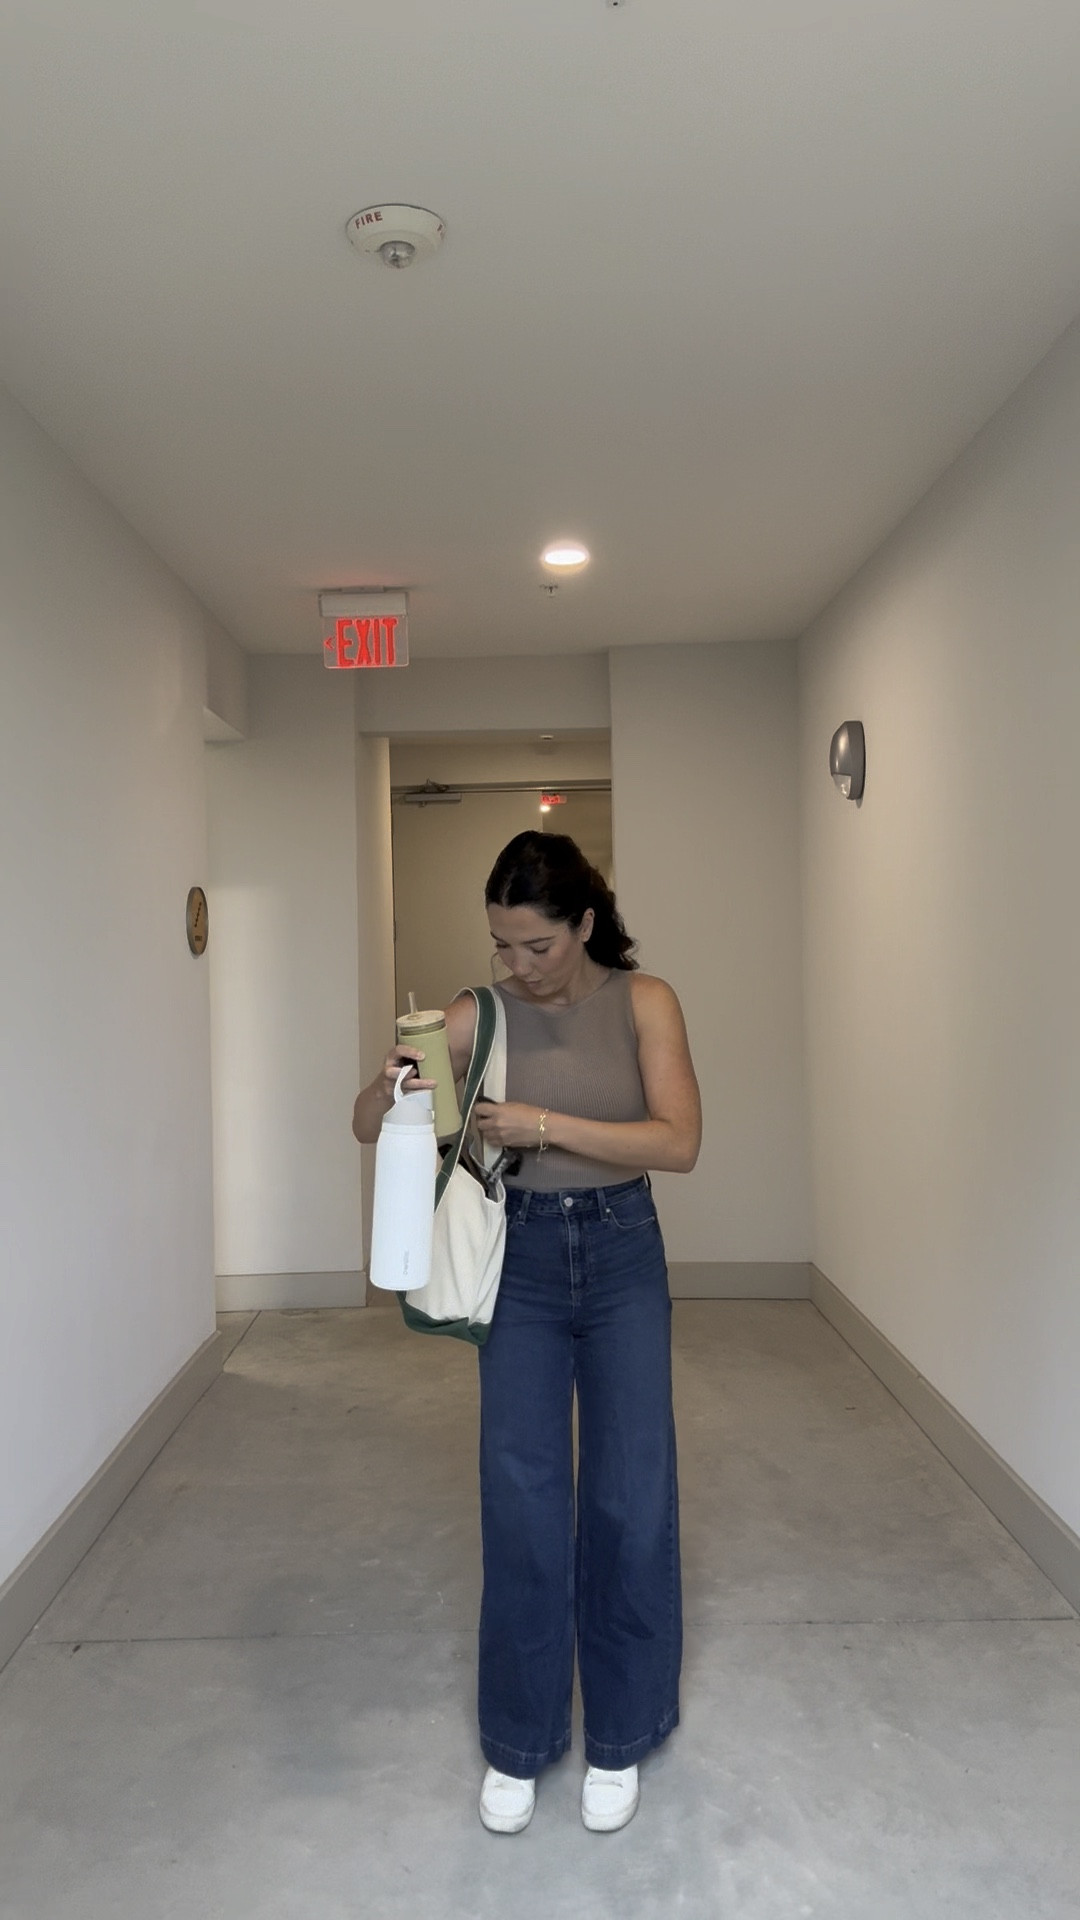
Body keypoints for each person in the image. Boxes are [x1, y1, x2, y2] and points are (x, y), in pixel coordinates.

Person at [352, 831, 701, 1834]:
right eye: (500, 945)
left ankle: (622, 1733)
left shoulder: (645, 1002)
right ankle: (519, 1741)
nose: (513, 965)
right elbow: (365, 1123)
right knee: (522, 1497)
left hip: (625, 1248)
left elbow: (677, 1142)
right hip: (526, 1262)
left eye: (534, 946)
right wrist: (395, 1086)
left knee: (633, 1496)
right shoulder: (479, 1013)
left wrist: (542, 1123)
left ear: (585, 924)